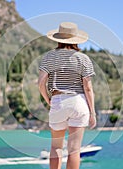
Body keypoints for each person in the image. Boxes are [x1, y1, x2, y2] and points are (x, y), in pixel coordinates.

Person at [38, 22, 96, 169]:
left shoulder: (49, 57)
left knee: (56, 147)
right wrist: (93, 113)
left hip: (58, 101)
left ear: (58, 38)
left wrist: (48, 99)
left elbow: (40, 83)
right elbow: (88, 88)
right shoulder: (83, 59)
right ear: (76, 40)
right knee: (74, 150)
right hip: (78, 102)